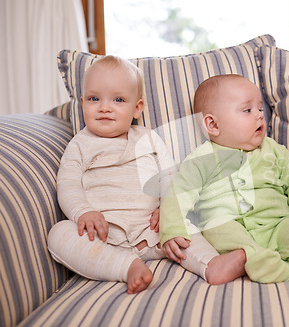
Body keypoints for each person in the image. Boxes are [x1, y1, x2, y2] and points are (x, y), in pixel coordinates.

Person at [48, 56, 245, 294]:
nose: (104, 107)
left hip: (153, 230)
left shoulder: (149, 138)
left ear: (137, 108)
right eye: (94, 99)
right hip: (102, 234)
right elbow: (67, 183)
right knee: (59, 234)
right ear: (82, 103)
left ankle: (210, 265)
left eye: (118, 99)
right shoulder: (80, 144)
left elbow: (171, 178)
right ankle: (126, 266)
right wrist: (83, 211)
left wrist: (168, 210)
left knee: (187, 225)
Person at [160, 74, 289, 284]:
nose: (259, 116)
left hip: (278, 223)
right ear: (213, 125)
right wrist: (173, 229)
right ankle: (259, 260)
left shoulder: (273, 150)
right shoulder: (201, 159)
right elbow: (178, 193)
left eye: (260, 109)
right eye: (247, 110)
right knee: (217, 227)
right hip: (229, 224)